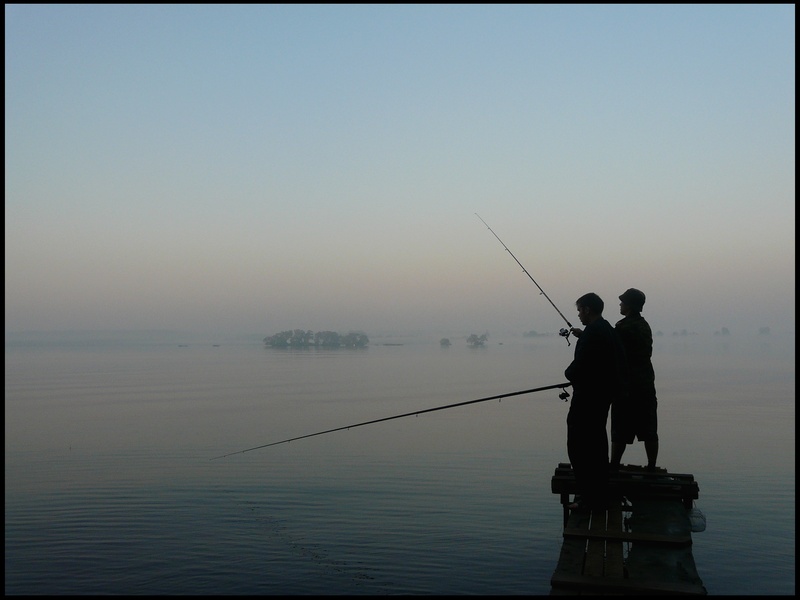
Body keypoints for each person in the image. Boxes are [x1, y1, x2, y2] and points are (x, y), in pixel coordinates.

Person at [564, 292, 628, 511]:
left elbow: (580, 366)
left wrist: (568, 373)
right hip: (603, 397)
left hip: (588, 399)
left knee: (580, 446)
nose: (579, 315)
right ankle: (598, 493)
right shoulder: (607, 329)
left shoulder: (594, 333)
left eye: (580, 310)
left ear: (587, 310)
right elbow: (606, 355)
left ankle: (588, 498)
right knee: (597, 444)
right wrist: (584, 335)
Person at [610, 288, 658, 471]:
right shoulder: (644, 325)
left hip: (627, 386)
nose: (620, 304)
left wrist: (584, 335)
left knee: (620, 427)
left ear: (629, 305)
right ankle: (651, 466)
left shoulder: (623, 327)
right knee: (649, 428)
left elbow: (610, 345)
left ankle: (614, 465)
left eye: (622, 302)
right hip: (646, 383)